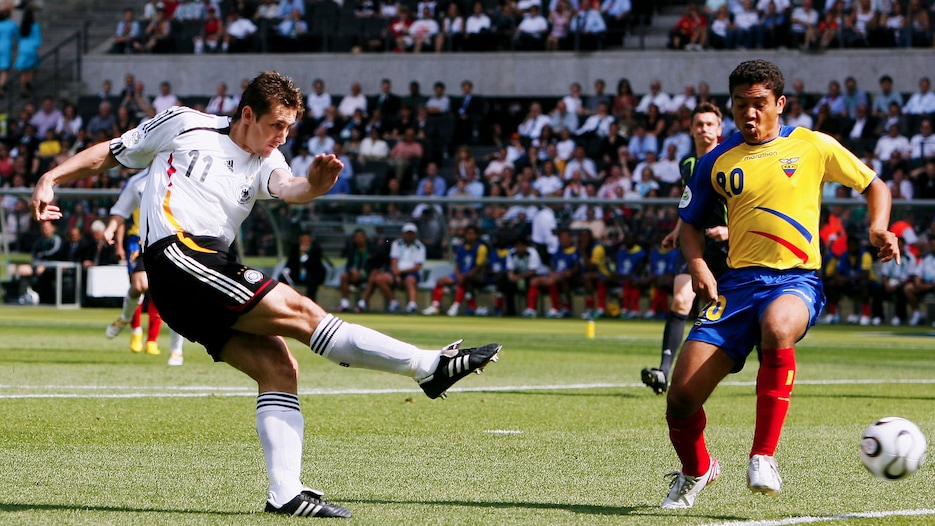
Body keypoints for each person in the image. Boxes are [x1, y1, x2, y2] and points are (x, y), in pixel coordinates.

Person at [29, 71, 500, 518]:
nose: (282, 137)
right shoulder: (184, 123)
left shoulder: (268, 160)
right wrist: (52, 178)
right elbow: (114, 151)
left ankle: (286, 493)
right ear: (248, 114)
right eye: (276, 125)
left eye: (289, 128)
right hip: (177, 256)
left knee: (279, 367)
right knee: (302, 312)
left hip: (204, 274)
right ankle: (428, 367)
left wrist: (313, 186)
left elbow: (289, 187)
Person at [661, 60, 898, 509]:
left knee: (777, 325)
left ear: (780, 104)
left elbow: (875, 186)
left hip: (796, 279)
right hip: (735, 287)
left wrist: (878, 228)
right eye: (740, 105)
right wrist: (698, 264)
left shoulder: (812, 145)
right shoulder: (716, 160)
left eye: (759, 104)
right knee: (681, 399)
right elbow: (688, 223)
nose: (749, 114)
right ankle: (698, 469)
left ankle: (763, 456)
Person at [641, 102, 726, 395]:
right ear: (691, 129)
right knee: (680, 300)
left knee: (736, 311)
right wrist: (678, 231)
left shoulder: (730, 161)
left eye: (710, 124)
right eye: (699, 124)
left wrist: (729, 231)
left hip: (729, 247)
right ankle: (664, 372)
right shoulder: (687, 164)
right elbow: (690, 203)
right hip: (695, 244)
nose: (704, 129)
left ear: (719, 128)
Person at [103, 168, 186, 365]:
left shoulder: (181, 174)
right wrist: (110, 229)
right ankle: (126, 318)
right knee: (139, 285)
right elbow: (121, 210)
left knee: (173, 294)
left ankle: (176, 350)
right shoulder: (136, 182)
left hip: (173, 238)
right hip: (140, 239)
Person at [423, 224, 488, 316]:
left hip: (473, 275)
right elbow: (457, 264)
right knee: (440, 281)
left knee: (464, 281)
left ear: (476, 235)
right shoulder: (461, 247)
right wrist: (457, 274)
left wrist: (463, 276)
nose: (470, 236)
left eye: (472, 234)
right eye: (468, 233)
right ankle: (435, 306)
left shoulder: (481, 248)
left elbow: (478, 266)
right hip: (460, 274)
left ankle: (455, 306)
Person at [14, 5, 41, 99]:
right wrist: (38, 49)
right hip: (32, 49)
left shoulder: (21, 26)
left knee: (23, 71)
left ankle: (23, 90)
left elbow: (19, 38)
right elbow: (38, 39)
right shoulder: (35, 26)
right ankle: (29, 81)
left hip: (22, 49)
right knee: (33, 68)